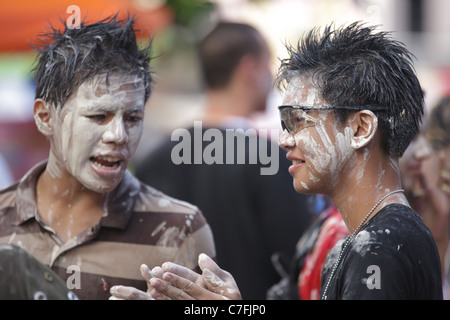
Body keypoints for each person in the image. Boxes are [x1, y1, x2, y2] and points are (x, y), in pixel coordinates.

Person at [110, 21, 444, 300]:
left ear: (360, 128)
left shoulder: (379, 245)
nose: (284, 140)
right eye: (285, 124)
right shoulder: (368, 238)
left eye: (300, 120)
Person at [0, 15, 216, 300]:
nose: (118, 135)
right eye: (98, 116)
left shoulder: (180, 230)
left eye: (133, 118)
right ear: (45, 117)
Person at [133, 21, 313, 299]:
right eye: (268, 66)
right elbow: (300, 260)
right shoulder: (270, 159)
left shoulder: (154, 158)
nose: (271, 77)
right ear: (249, 68)